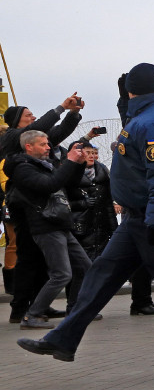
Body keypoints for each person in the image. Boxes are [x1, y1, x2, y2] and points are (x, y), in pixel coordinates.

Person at [18, 63, 154, 375]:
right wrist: (125, 101)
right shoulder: (147, 116)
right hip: (140, 217)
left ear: (135, 89)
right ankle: (63, 340)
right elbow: (131, 130)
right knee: (100, 276)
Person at [9, 132, 91, 328]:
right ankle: (32, 315)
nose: (48, 147)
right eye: (43, 144)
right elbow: (50, 185)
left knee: (85, 267)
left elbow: (68, 183)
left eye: (47, 143)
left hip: (60, 223)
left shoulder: (45, 165)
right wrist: (69, 161)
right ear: (29, 147)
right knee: (61, 274)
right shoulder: (23, 169)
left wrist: (78, 164)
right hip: (45, 225)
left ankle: (74, 310)